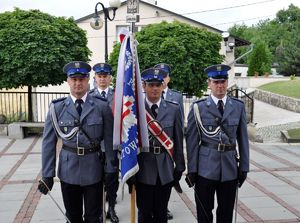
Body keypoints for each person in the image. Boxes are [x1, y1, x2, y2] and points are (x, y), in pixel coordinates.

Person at [38, 61, 119, 223]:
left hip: (94, 169)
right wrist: (47, 174)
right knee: (73, 216)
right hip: (68, 170)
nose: (77, 83)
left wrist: (111, 168)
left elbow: (109, 140)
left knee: (94, 217)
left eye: (81, 79)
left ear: (88, 80)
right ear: (68, 81)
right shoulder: (57, 108)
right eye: (73, 79)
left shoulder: (101, 106)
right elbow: (48, 143)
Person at [185, 64, 249, 223]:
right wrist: (192, 169)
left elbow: (243, 139)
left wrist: (244, 167)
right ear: (209, 83)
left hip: (229, 168)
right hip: (205, 168)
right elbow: (192, 142)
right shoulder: (198, 108)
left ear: (227, 82)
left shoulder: (238, 106)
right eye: (216, 82)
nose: (220, 85)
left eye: (223, 81)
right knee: (204, 213)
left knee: (226, 213)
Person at [131, 67, 185, 223]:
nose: (154, 88)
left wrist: (179, 167)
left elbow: (178, 140)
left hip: (165, 169)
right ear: (144, 86)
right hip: (143, 169)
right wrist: (130, 171)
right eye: (151, 85)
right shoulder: (136, 111)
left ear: (163, 86)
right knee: (144, 213)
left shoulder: (174, 109)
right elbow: (129, 140)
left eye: (158, 85)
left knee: (161, 213)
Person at [90, 62, 119, 223]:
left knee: (112, 179)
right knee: (95, 180)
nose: (102, 79)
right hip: (93, 146)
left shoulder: (117, 96)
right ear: (95, 78)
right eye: (99, 76)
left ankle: (111, 208)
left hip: (112, 145)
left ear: (110, 78)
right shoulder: (89, 96)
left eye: (105, 76)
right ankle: (99, 209)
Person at [154, 63, 184, 220]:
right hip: (149, 157)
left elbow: (179, 128)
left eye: (164, 75)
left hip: (167, 150)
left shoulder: (176, 97)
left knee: (165, 183)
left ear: (168, 78)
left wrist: (179, 162)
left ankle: (164, 208)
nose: (162, 79)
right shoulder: (144, 99)